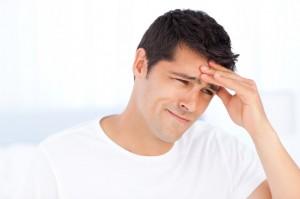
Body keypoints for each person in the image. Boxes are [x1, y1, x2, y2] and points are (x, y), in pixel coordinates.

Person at [16, 9, 300, 199]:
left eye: (207, 91)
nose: (192, 103)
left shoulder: (221, 151)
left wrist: (260, 129)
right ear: (141, 64)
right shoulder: (59, 158)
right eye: (182, 81)